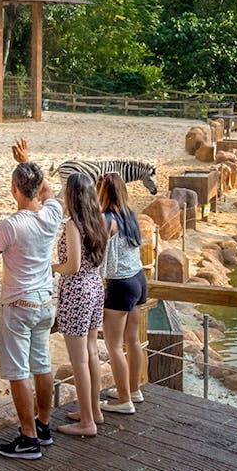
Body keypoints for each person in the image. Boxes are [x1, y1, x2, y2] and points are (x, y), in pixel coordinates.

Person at [0, 138, 61, 460]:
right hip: (47, 301)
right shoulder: (53, 212)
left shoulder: (10, 226)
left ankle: (28, 438)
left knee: (19, 372)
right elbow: (49, 191)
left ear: (15, 189)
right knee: (42, 365)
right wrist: (28, 161)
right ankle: (44, 425)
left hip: (19, 304)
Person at [51, 172, 109, 436]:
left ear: (72, 196)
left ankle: (87, 422)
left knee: (79, 361)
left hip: (77, 290)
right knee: (92, 353)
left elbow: (72, 266)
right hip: (95, 286)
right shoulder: (98, 222)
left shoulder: (74, 225)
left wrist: (52, 267)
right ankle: (94, 411)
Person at [98, 172, 148, 414]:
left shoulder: (107, 220)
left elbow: (100, 258)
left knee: (114, 345)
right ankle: (133, 389)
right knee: (133, 340)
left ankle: (123, 400)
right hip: (139, 279)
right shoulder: (130, 216)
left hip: (120, 284)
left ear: (104, 192)